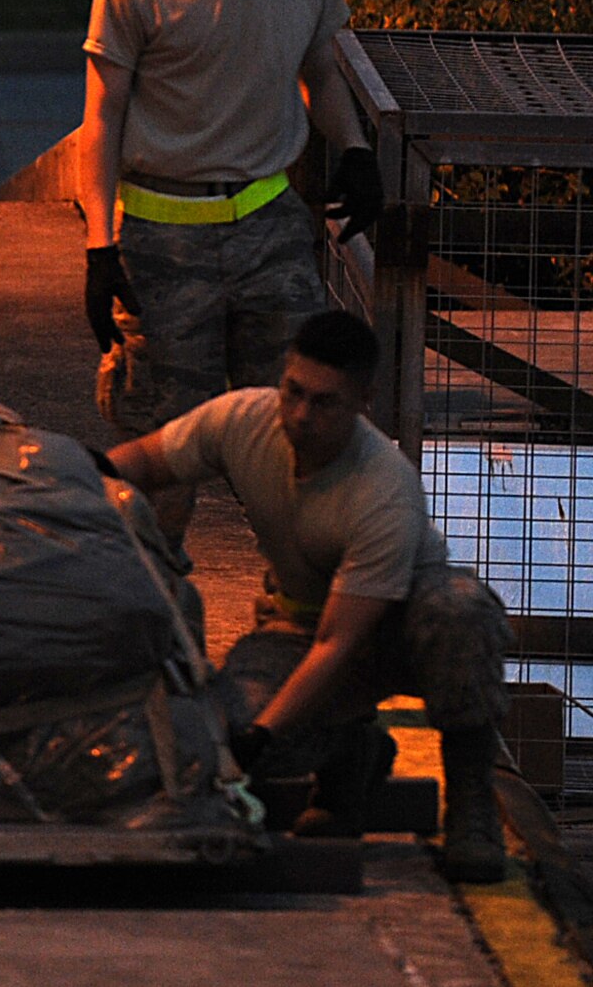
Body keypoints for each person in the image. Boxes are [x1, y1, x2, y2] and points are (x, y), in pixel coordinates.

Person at [105, 311, 509, 883]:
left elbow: (339, 645)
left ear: (363, 401)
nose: (300, 415)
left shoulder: (383, 488)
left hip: (393, 633)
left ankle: (471, 806)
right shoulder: (243, 420)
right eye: (292, 392)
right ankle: (352, 756)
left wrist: (261, 739)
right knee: (213, 732)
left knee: (460, 610)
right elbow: (145, 460)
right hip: (301, 626)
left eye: (324, 403)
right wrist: (72, 478)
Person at [79, 0, 382, 544]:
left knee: (301, 434)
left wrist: (355, 150)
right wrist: (99, 245)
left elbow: (321, 72)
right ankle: (153, 618)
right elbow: (103, 114)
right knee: (164, 451)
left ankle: (300, 599)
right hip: (163, 237)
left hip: (269, 229)